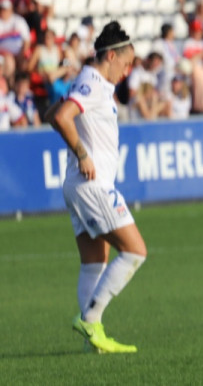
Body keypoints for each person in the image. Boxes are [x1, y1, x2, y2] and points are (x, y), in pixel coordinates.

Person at [45, 21, 146, 354]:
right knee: (134, 251)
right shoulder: (93, 81)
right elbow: (62, 117)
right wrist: (83, 153)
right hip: (93, 183)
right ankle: (91, 319)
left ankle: (95, 341)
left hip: (77, 185)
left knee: (94, 262)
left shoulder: (88, 81)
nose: (127, 72)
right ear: (111, 56)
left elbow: (52, 114)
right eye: (126, 64)